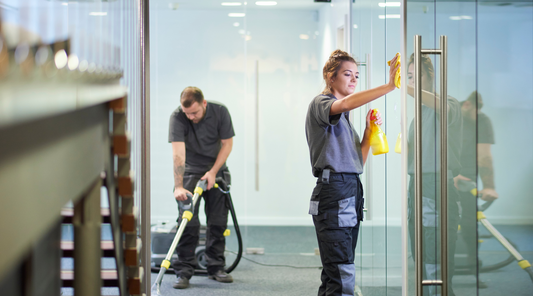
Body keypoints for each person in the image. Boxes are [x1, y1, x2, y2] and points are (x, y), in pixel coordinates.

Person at [305, 49, 399, 296]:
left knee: (337, 267)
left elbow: (356, 163)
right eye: (348, 74)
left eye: (356, 75)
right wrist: (389, 86)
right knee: (341, 271)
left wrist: (368, 134)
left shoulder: (344, 117)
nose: (354, 79)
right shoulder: (322, 104)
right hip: (334, 192)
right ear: (330, 76)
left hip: (349, 187)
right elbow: (345, 102)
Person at [406, 54, 463, 296]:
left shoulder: (448, 103)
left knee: (435, 261)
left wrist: (405, 89)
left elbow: (442, 107)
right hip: (416, 186)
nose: (410, 82)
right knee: (421, 256)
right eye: (407, 77)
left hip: (435, 186)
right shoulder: (418, 113)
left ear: (430, 76)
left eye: (415, 76)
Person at [168, 86, 235, 289]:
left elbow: (227, 144)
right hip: (190, 172)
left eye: (194, 112)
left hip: (217, 171)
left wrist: (214, 172)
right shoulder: (178, 117)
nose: (190, 117)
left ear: (203, 104)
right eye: (187, 113)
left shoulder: (220, 112)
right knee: (188, 223)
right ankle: (184, 271)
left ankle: (215, 267)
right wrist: (178, 187)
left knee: (217, 222)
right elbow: (178, 154)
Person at [454, 91, 498, 274]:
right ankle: (437, 264)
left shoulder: (483, 121)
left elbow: (485, 156)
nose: (477, 115)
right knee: (442, 219)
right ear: (466, 105)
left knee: (470, 221)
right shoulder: (451, 116)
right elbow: (435, 147)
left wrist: (489, 186)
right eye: (475, 110)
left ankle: (473, 265)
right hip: (447, 174)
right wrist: (451, 175)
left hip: (469, 178)